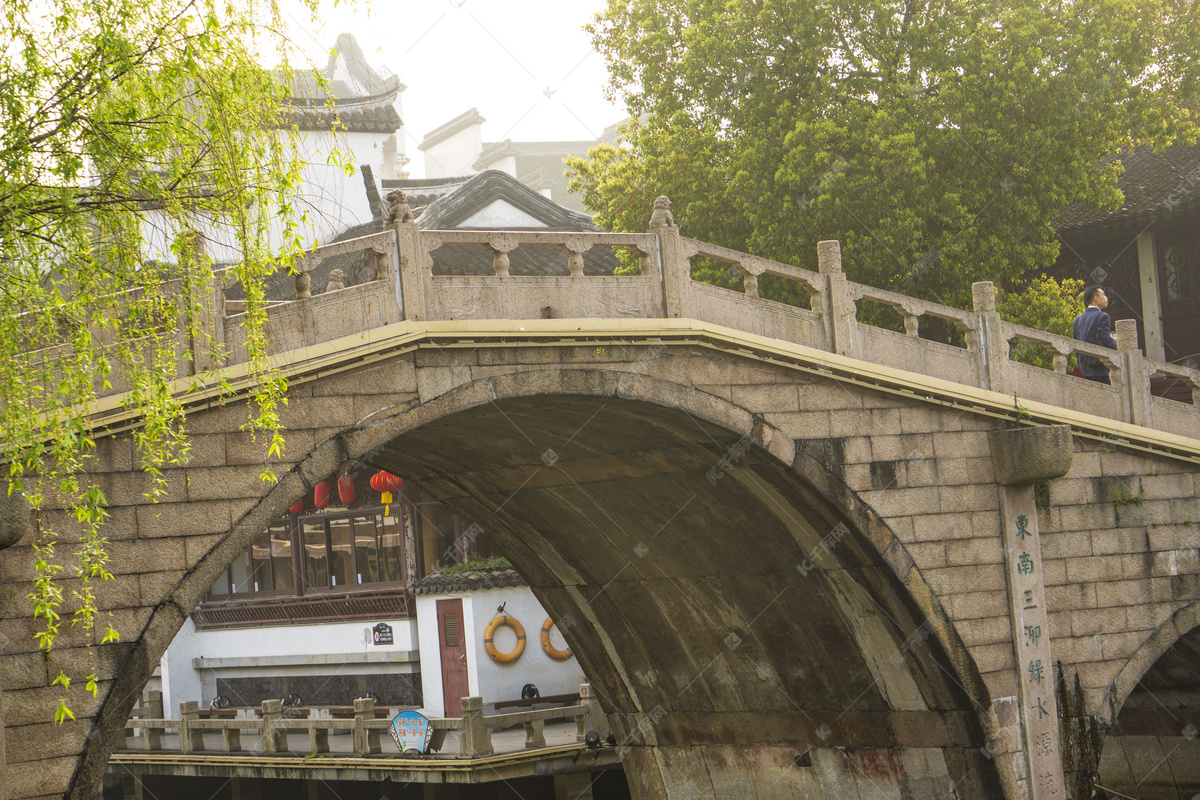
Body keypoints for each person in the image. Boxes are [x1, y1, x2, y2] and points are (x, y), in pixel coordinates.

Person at [1072, 285, 1117, 384]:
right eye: (1103, 295)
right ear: (1096, 299)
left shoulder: (1077, 320)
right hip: (1100, 367)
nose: (1106, 298)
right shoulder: (1102, 316)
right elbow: (1105, 339)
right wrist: (1117, 343)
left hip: (1085, 368)